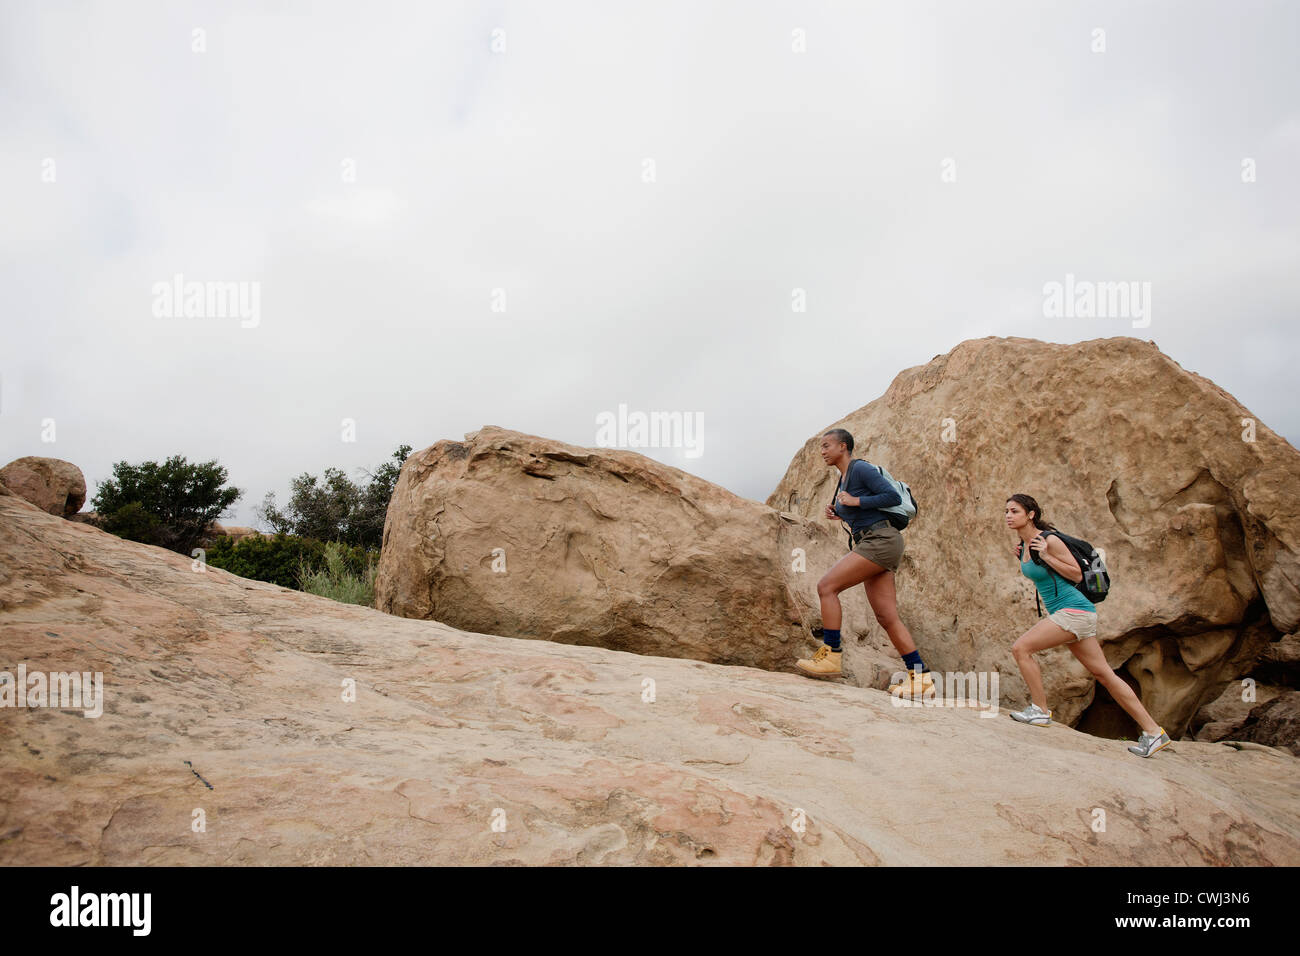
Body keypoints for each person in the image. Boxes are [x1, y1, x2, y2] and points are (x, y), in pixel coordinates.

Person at [1004, 493, 1170, 758]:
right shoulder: (1024, 546)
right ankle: (1153, 732)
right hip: (1071, 614)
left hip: (1075, 611)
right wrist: (1025, 557)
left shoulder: (1049, 540)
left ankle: (1039, 710)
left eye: (1014, 511)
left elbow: (1076, 574)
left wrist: (1046, 556)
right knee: (1105, 674)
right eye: (1007, 512)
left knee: (1021, 649)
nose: (1008, 516)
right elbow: (1043, 578)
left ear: (1030, 514)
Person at [795, 428, 933, 699]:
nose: (822, 452)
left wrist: (855, 501)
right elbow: (863, 509)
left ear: (843, 447)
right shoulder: (843, 479)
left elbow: (892, 496)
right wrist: (839, 512)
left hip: (880, 540)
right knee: (886, 616)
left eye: (826, 446)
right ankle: (922, 678)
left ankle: (832, 656)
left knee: (827, 587)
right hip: (874, 541)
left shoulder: (860, 469)